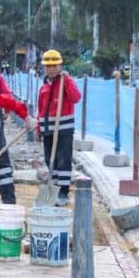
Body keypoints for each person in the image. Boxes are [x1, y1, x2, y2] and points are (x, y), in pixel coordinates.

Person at [35, 50, 82, 206]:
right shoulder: (44, 88)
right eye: (48, 66)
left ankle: (63, 192)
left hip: (63, 130)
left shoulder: (65, 82)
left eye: (54, 66)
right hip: (48, 130)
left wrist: (67, 80)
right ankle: (52, 190)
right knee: (51, 161)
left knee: (64, 161)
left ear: (60, 65)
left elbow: (76, 98)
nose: (51, 69)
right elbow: (41, 110)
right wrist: (38, 128)